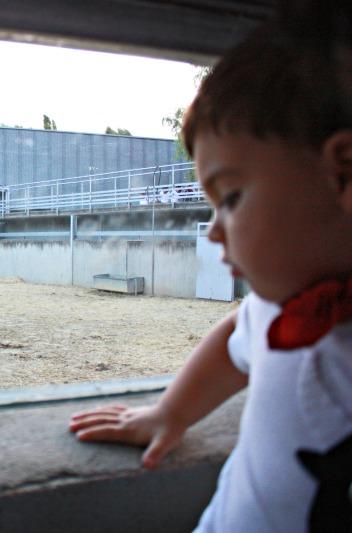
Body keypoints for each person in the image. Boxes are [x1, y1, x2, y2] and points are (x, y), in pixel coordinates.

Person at [68, 11, 352, 533]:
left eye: (232, 197)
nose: (214, 231)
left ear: (344, 172)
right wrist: (170, 412)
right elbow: (234, 341)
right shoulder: (277, 309)